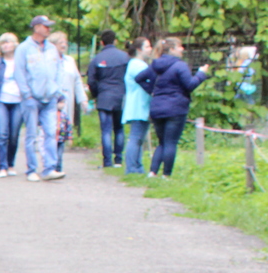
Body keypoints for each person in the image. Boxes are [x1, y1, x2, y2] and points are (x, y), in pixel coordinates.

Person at [135, 36, 210, 177]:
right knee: (171, 142)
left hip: (157, 107)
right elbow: (190, 85)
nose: (182, 49)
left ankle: (153, 172)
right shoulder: (180, 66)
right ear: (172, 49)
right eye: (179, 46)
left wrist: (151, 90)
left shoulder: (155, 65)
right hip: (176, 108)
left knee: (162, 142)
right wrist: (201, 74)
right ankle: (166, 175)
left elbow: (139, 78)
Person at [16, 15, 65, 180]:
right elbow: (20, 72)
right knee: (31, 134)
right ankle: (31, 170)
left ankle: (50, 168)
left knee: (51, 133)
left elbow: (58, 70)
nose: (49, 29)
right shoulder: (23, 48)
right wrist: (27, 94)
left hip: (50, 97)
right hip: (32, 98)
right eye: (46, 26)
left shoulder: (52, 48)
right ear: (36, 27)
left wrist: (57, 91)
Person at [49, 30, 90, 175]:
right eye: (61, 43)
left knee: (62, 135)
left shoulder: (70, 61)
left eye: (65, 42)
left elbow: (78, 81)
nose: (64, 45)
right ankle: (51, 164)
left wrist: (83, 100)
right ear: (53, 45)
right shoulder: (48, 61)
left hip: (67, 102)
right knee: (51, 134)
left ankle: (57, 164)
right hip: (52, 103)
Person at [87, 29, 130, 168]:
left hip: (104, 97)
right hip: (120, 96)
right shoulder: (125, 57)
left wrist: (96, 94)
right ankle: (118, 160)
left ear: (101, 42)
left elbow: (91, 81)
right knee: (119, 128)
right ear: (115, 41)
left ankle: (107, 161)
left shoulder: (97, 59)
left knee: (106, 130)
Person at [0, 32, 25, 177]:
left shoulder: (21, 62)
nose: (6, 45)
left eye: (9, 42)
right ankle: (2, 166)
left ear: (15, 44)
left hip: (18, 101)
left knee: (14, 135)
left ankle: (10, 164)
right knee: (2, 134)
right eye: (3, 43)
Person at [122, 37, 153, 175]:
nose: (150, 49)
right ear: (139, 49)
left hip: (141, 105)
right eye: (147, 47)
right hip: (138, 106)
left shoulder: (139, 64)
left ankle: (137, 166)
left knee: (139, 137)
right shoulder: (137, 65)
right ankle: (132, 168)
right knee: (135, 137)